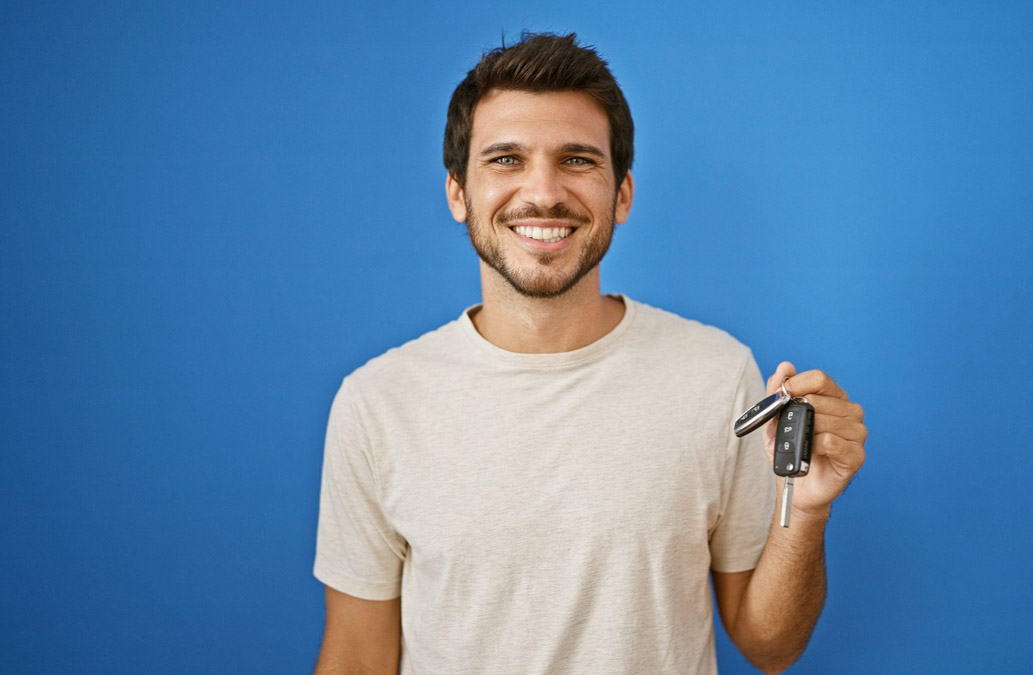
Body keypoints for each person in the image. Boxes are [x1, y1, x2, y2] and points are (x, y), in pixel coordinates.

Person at [313, 32, 866, 675]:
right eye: (506, 159)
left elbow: (771, 647)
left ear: (621, 195)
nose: (544, 192)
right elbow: (357, 657)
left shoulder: (718, 375)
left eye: (576, 160)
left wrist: (807, 509)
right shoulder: (376, 403)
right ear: (458, 192)